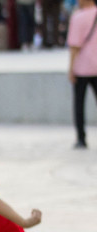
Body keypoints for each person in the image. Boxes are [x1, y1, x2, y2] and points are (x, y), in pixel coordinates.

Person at [68, 0, 97, 149]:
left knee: (79, 104)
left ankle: (81, 138)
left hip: (82, 68)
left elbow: (74, 45)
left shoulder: (78, 17)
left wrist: (70, 68)